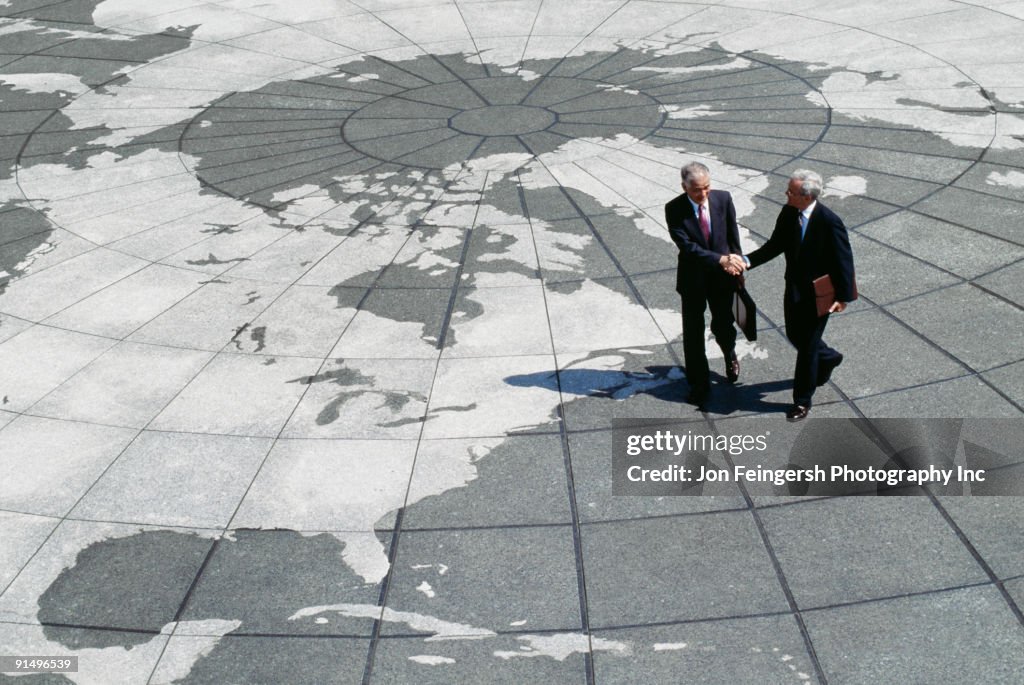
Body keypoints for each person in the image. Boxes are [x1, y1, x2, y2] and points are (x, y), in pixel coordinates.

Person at [738, 169, 855, 421]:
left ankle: (802, 401)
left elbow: (843, 260)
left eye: (790, 192)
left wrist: (843, 297)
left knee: (807, 348)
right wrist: (746, 261)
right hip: (793, 288)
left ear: (806, 197)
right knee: (795, 335)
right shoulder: (789, 212)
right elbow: (775, 245)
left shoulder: (829, 221)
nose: (785, 194)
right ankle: (830, 357)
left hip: (821, 293)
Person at [665, 161, 744, 407]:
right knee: (693, 332)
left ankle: (729, 351)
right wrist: (720, 259)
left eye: (707, 187)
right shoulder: (674, 209)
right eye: (697, 190)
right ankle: (699, 384)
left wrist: (737, 264)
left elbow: (733, 236)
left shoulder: (723, 199)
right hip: (693, 280)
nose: (703, 194)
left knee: (723, 324)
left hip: (723, 279)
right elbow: (687, 247)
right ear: (684, 187)